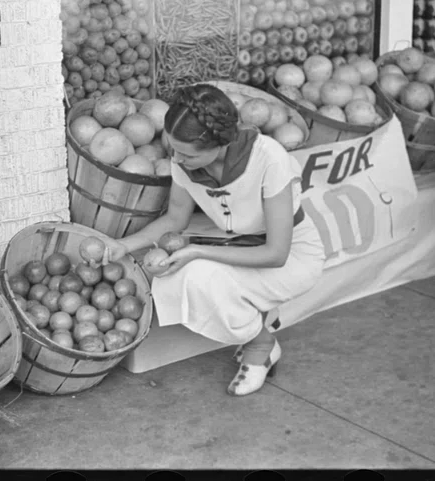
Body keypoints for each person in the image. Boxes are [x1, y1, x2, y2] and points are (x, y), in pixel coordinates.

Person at [98, 84, 325, 396]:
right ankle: (257, 327)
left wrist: (198, 251)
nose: (177, 159)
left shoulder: (269, 158)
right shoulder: (183, 162)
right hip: (239, 244)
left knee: (200, 276)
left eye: (188, 154)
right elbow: (175, 220)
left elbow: (277, 253)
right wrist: (124, 245)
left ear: (222, 143)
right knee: (176, 276)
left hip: (293, 256)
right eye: (173, 149)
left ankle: (260, 345)